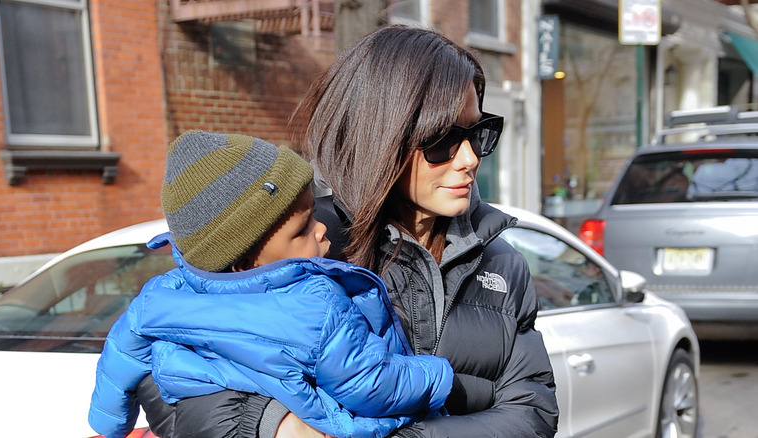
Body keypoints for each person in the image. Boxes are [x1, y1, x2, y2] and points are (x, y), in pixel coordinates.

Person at [137, 24, 559, 438]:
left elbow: (533, 410)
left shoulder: (502, 263)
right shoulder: (304, 245)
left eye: (477, 133)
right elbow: (168, 379)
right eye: (443, 139)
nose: (469, 158)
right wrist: (270, 424)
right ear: (382, 135)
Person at [87, 130, 455, 438]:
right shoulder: (314, 307)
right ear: (244, 262)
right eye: (303, 229)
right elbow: (368, 386)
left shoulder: (160, 296)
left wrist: (109, 424)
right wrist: (438, 375)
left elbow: (118, 360)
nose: (322, 228)